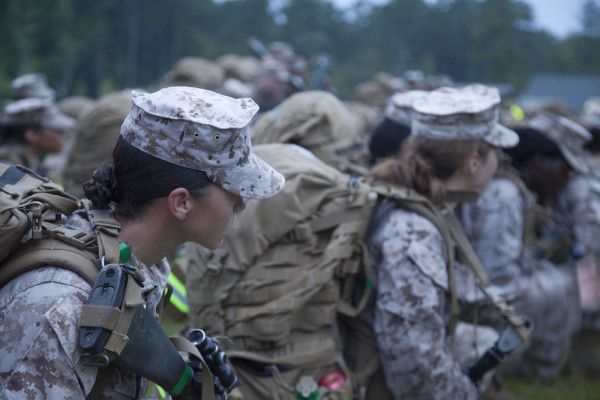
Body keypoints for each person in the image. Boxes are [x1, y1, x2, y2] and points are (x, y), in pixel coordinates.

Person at [0, 86, 284, 398]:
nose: (241, 204)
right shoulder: (62, 307)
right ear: (181, 203)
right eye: (233, 189)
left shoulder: (130, 265)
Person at [360, 84, 520, 399]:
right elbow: (414, 364)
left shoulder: (422, 202)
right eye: (496, 153)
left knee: (481, 338)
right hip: (370, 377)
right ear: (473, 161)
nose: (498, 163)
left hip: (377, 353)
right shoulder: (413, 232)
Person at [456, 112, 585, 381]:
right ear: (539, 160)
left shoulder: (513, 188)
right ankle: (532, 371)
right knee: (568, 287)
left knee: (561, 279)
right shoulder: (505, 195)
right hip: (474, 295)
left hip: (476, 285)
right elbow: (496, 274)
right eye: (564, 168)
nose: (565, 178)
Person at [0, 97, 75, 177]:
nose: (62, 136)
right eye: (58, 131)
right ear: (32, 135)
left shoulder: (29, 162)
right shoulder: (7, 165)